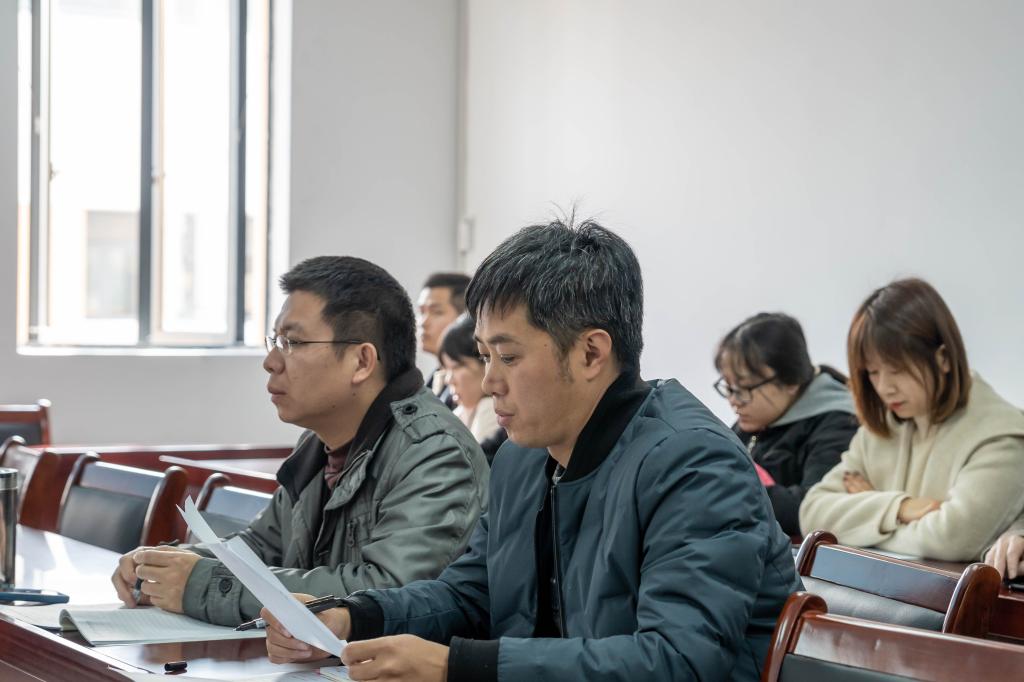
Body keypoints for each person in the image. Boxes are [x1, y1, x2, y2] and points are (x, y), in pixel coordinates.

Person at [260, 219, 800, 681]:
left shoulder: (694, 464)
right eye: (483, 356)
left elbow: (677, 661)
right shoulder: (524, 457)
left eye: (509, 357)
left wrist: (457, 667)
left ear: (591, 353)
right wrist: (352, 616)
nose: (489, 382)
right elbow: (469, 595)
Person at [111, 256, 489, 625]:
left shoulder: (435, 452)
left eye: (292, 342)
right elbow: (261, 547)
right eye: (275, 340)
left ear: (361, 362)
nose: (271, 361)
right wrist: (165, 567)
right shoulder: (319, 442)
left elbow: (385, 592)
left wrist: (200, 584)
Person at [800, 278, 1024, 561]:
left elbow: (949, 540)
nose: (884, 388)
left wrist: (864, 520)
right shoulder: (883, 426)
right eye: (873, 372)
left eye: (897, 369)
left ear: (943, 358)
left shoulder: (1001, 435)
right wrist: (901, 508)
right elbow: (812, 513)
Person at [713, 312, 859, 536]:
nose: (733, 400)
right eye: (729, 387)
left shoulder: (839, 423)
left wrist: (729, 492)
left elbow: (816, 507)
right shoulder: (757, 418)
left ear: (791, 381)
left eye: (744, 388)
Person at [439, 313, 506, 463]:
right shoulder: (459, 412)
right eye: (446, 369)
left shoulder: (492, 411)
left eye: (457, 367)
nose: (449, 379)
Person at [418, 272, 472, 408]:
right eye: (422, 312)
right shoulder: (433, 381)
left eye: (437, 312)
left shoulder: (471, 387)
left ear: (464, 318)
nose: (423, 322)